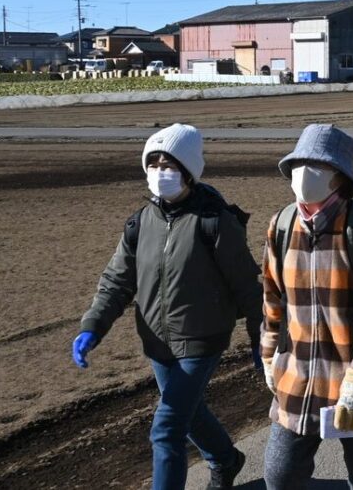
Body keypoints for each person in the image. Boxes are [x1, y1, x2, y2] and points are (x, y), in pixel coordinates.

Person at [73, 123, 262, 490]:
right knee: (187, 416)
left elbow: (246, 285)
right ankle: (226, 459)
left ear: (189, 171)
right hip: (157, 341)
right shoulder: (141, 222)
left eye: (169, 166)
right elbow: (117, 280)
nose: (160, 173)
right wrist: (92, 326)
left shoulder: (215, 221)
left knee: (166, 428)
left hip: (202, 339)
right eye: (153, 165)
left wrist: (261, 336)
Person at [261, 124, 353, 490]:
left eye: (315, 166)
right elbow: (272, 300)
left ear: (339, 178)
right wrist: (268, 357)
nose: (303, 175)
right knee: (279, 476)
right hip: (297, 376)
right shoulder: (281, 225)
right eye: (298, 164)